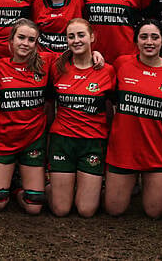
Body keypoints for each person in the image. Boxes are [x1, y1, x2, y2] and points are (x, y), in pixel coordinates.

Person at [105, 19, 162, 218]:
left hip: (157, 152)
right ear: (136, 41)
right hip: (124, 150)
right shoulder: (122, 64)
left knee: (154, 212)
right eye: (144, 37)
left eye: (155, 37)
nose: (149, 42)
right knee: (114, 209)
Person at [48, 18, 116, 218]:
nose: (76, 40)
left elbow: (111, 108)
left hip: (92, 142)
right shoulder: (57, 67)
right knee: (61, 210)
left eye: (81, 35)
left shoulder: (107, 70)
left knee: (86, 211)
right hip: (62, 141)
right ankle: (44, 187)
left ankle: (93, 187)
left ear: (92, 37)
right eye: (71, 36)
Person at [0, 19, 53, 215]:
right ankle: (12, 182)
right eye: (21, 37)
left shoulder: (46, 63)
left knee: (34, 207)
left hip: (32, 140)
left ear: (36, 43)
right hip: (4, 139)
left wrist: (95, 53)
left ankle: (17, 189)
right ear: (11, 40)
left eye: (31, 39)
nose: (25, 43)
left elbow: (75, 56)